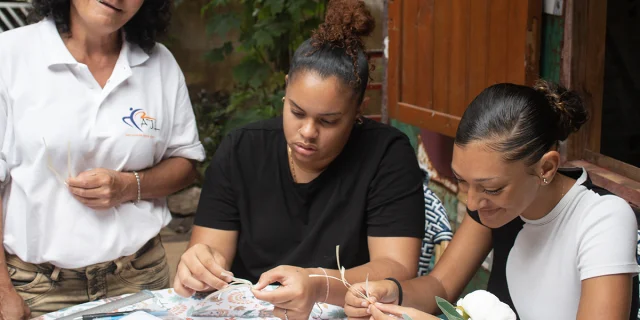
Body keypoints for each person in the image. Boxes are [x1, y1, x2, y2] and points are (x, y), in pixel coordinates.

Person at [173, 0, 425, 319]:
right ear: (286, 87)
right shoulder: (241, 150)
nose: (307, 132)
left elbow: (398, 268)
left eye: (329, 121)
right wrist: (200, 266)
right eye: (296, 112)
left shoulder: (386, 155)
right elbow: (212, 254)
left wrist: (318, 283)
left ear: (358, 110)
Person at [344, 81, 640, 320]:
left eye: (492, 188)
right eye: (462, 181)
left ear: (546, 168)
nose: (472, 203)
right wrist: (392, 294)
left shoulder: (603, 218)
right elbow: (441, 286)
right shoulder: (494, 206)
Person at [0, 0, 205, 317]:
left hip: (140, 279)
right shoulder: (11, 55)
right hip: (36, 289)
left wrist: (128, 186)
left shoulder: (159, 64)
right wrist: (3, 295)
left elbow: (186, 162)